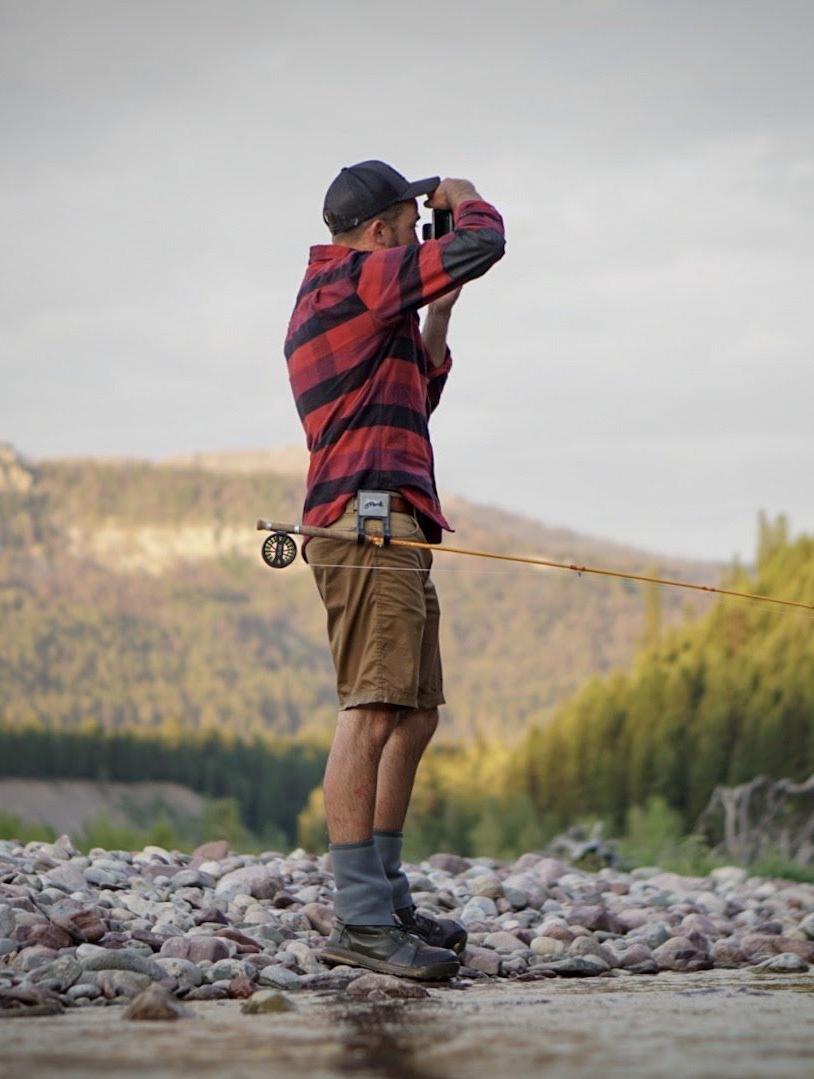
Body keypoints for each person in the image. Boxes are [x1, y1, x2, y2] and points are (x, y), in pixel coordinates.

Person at [284, 160, 506, 979]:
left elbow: (417, 396)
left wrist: (437, 315)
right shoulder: (352, 282)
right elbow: (484, 240)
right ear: (379, 231)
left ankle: (385, 892)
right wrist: (464, 196)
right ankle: (361, 919)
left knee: (414, 711)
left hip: (398, 525)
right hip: (366, 526)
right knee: (372, 707)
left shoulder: (362, 299)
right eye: (413, 220)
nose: (421, 230)